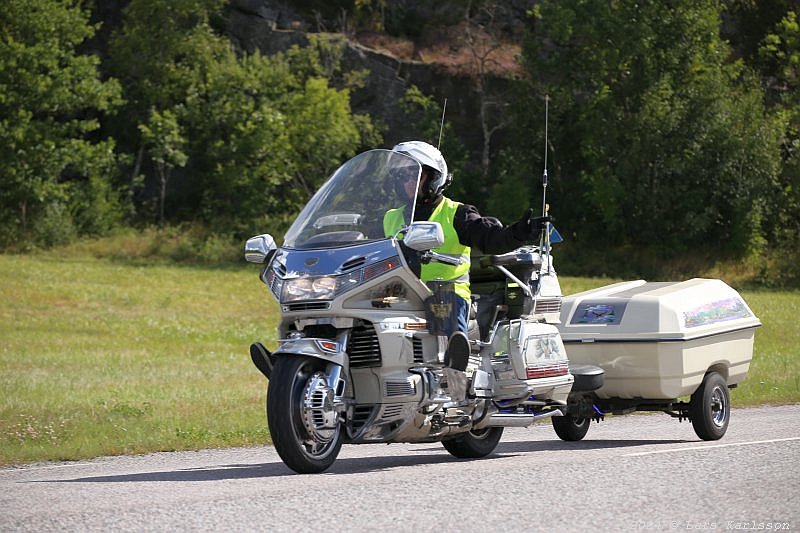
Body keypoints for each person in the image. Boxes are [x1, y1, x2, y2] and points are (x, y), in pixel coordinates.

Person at [383, 140, 549, 373]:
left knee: (443, 304)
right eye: (401, 177)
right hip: (401, 292)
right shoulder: (389, 217)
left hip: (445, 292)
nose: (408, 182)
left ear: (433, 178)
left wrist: (518, 233)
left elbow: (490, 238)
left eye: (415, 175)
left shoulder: (457, 214)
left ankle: (456, 372)